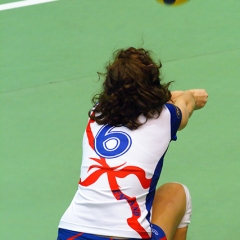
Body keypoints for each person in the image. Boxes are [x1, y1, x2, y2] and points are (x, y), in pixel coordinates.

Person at [57, 47, 208, 240]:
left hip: (71, 232)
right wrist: (191, 97)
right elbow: (184, 104)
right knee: (178, 193)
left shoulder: (96, 113)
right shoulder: (166, 117)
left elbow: (134, 98)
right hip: (129, 234)